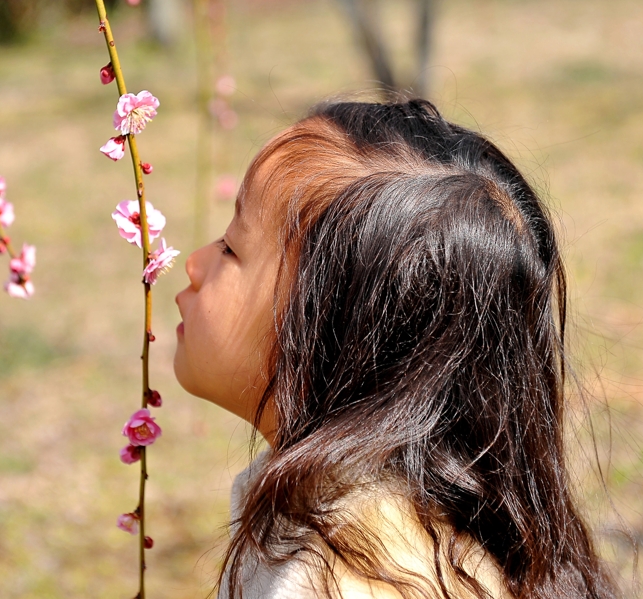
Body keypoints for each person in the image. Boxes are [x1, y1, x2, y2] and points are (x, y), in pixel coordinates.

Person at [173, 99, 616, 599]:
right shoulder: (376, 522)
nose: (193, 263)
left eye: (231, 247)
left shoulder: (344, 582)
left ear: (333, 332)